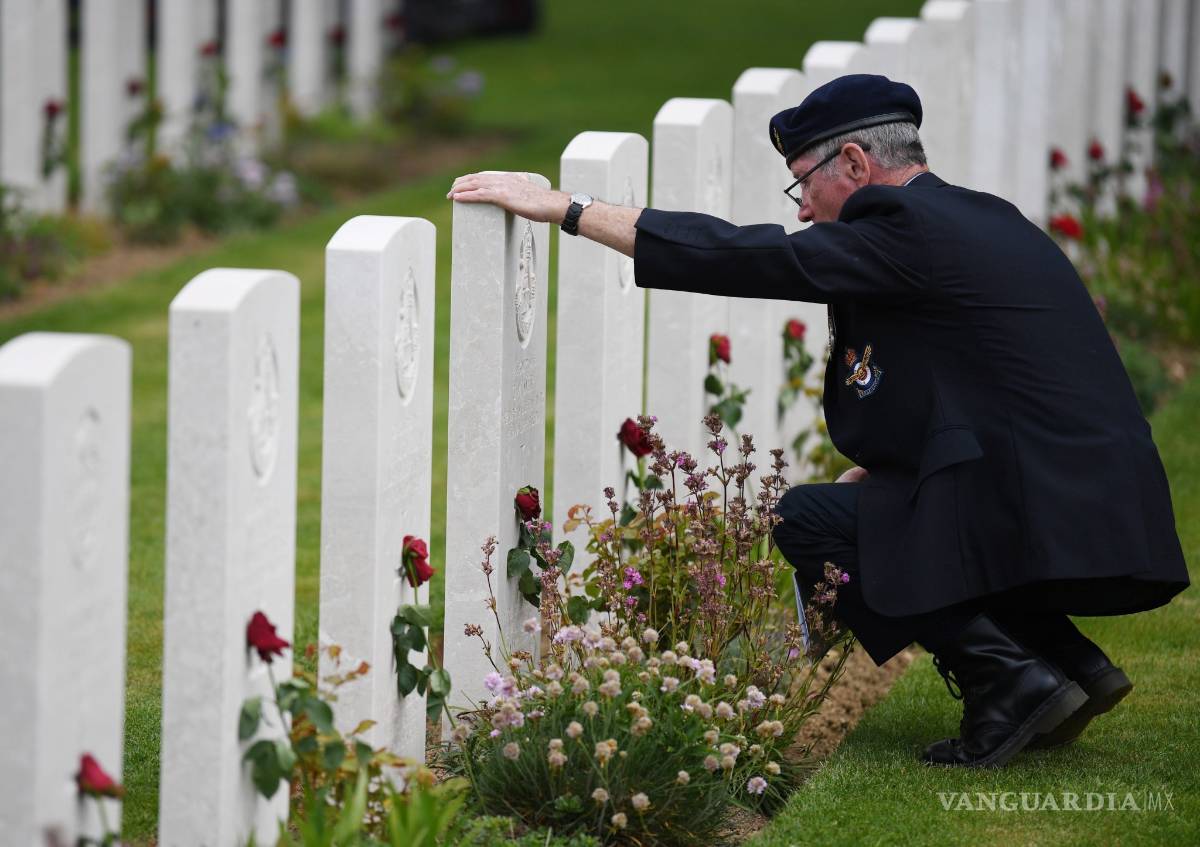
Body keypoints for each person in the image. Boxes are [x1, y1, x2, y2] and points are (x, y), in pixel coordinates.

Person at [446, 74, 1189, 768]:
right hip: (1087, 499)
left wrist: (574, 211)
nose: (800, 208)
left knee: (811, 519)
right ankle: (1068, 665)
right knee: (883, 505)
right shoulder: (976, 216)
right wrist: (891, 462)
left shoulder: (902, 226)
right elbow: (975, 374)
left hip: (1042, 503)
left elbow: (749, 257)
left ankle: (1009, 685)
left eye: (804, 182)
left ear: (858, 163)